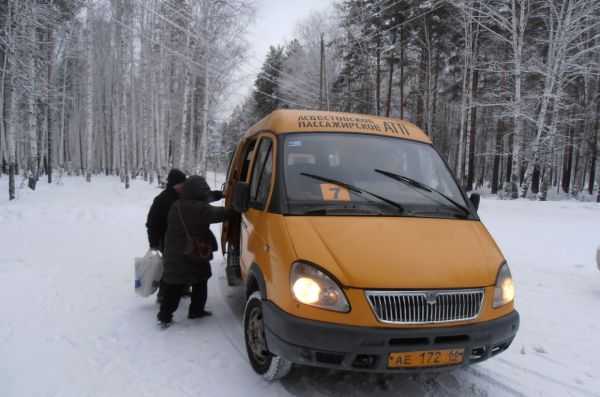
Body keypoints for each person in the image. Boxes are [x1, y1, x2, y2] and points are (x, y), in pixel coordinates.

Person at [157, 175, 234, 328]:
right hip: (189, 252)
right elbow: (220, 213)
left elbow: (206, 198)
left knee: (178, 284)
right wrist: (235, 209)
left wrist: (220, 194)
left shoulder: (178, 204)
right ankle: (192, 312)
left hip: (176, 252)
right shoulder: (197, 208)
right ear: (197, 193)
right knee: (196, 281)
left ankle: (166, 316)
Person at [146, 169, 187, 302]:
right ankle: (163, 294)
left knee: (185, 264)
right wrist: (153, 243)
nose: (182, 186)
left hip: (183, 239)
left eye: (183, 183)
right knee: (170, 268)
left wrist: (220, 194)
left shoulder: (184, 196)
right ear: (173, 183)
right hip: (167, 240)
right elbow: (152, 223)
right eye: (180, 183)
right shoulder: (162, 199)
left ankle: (183, 288)